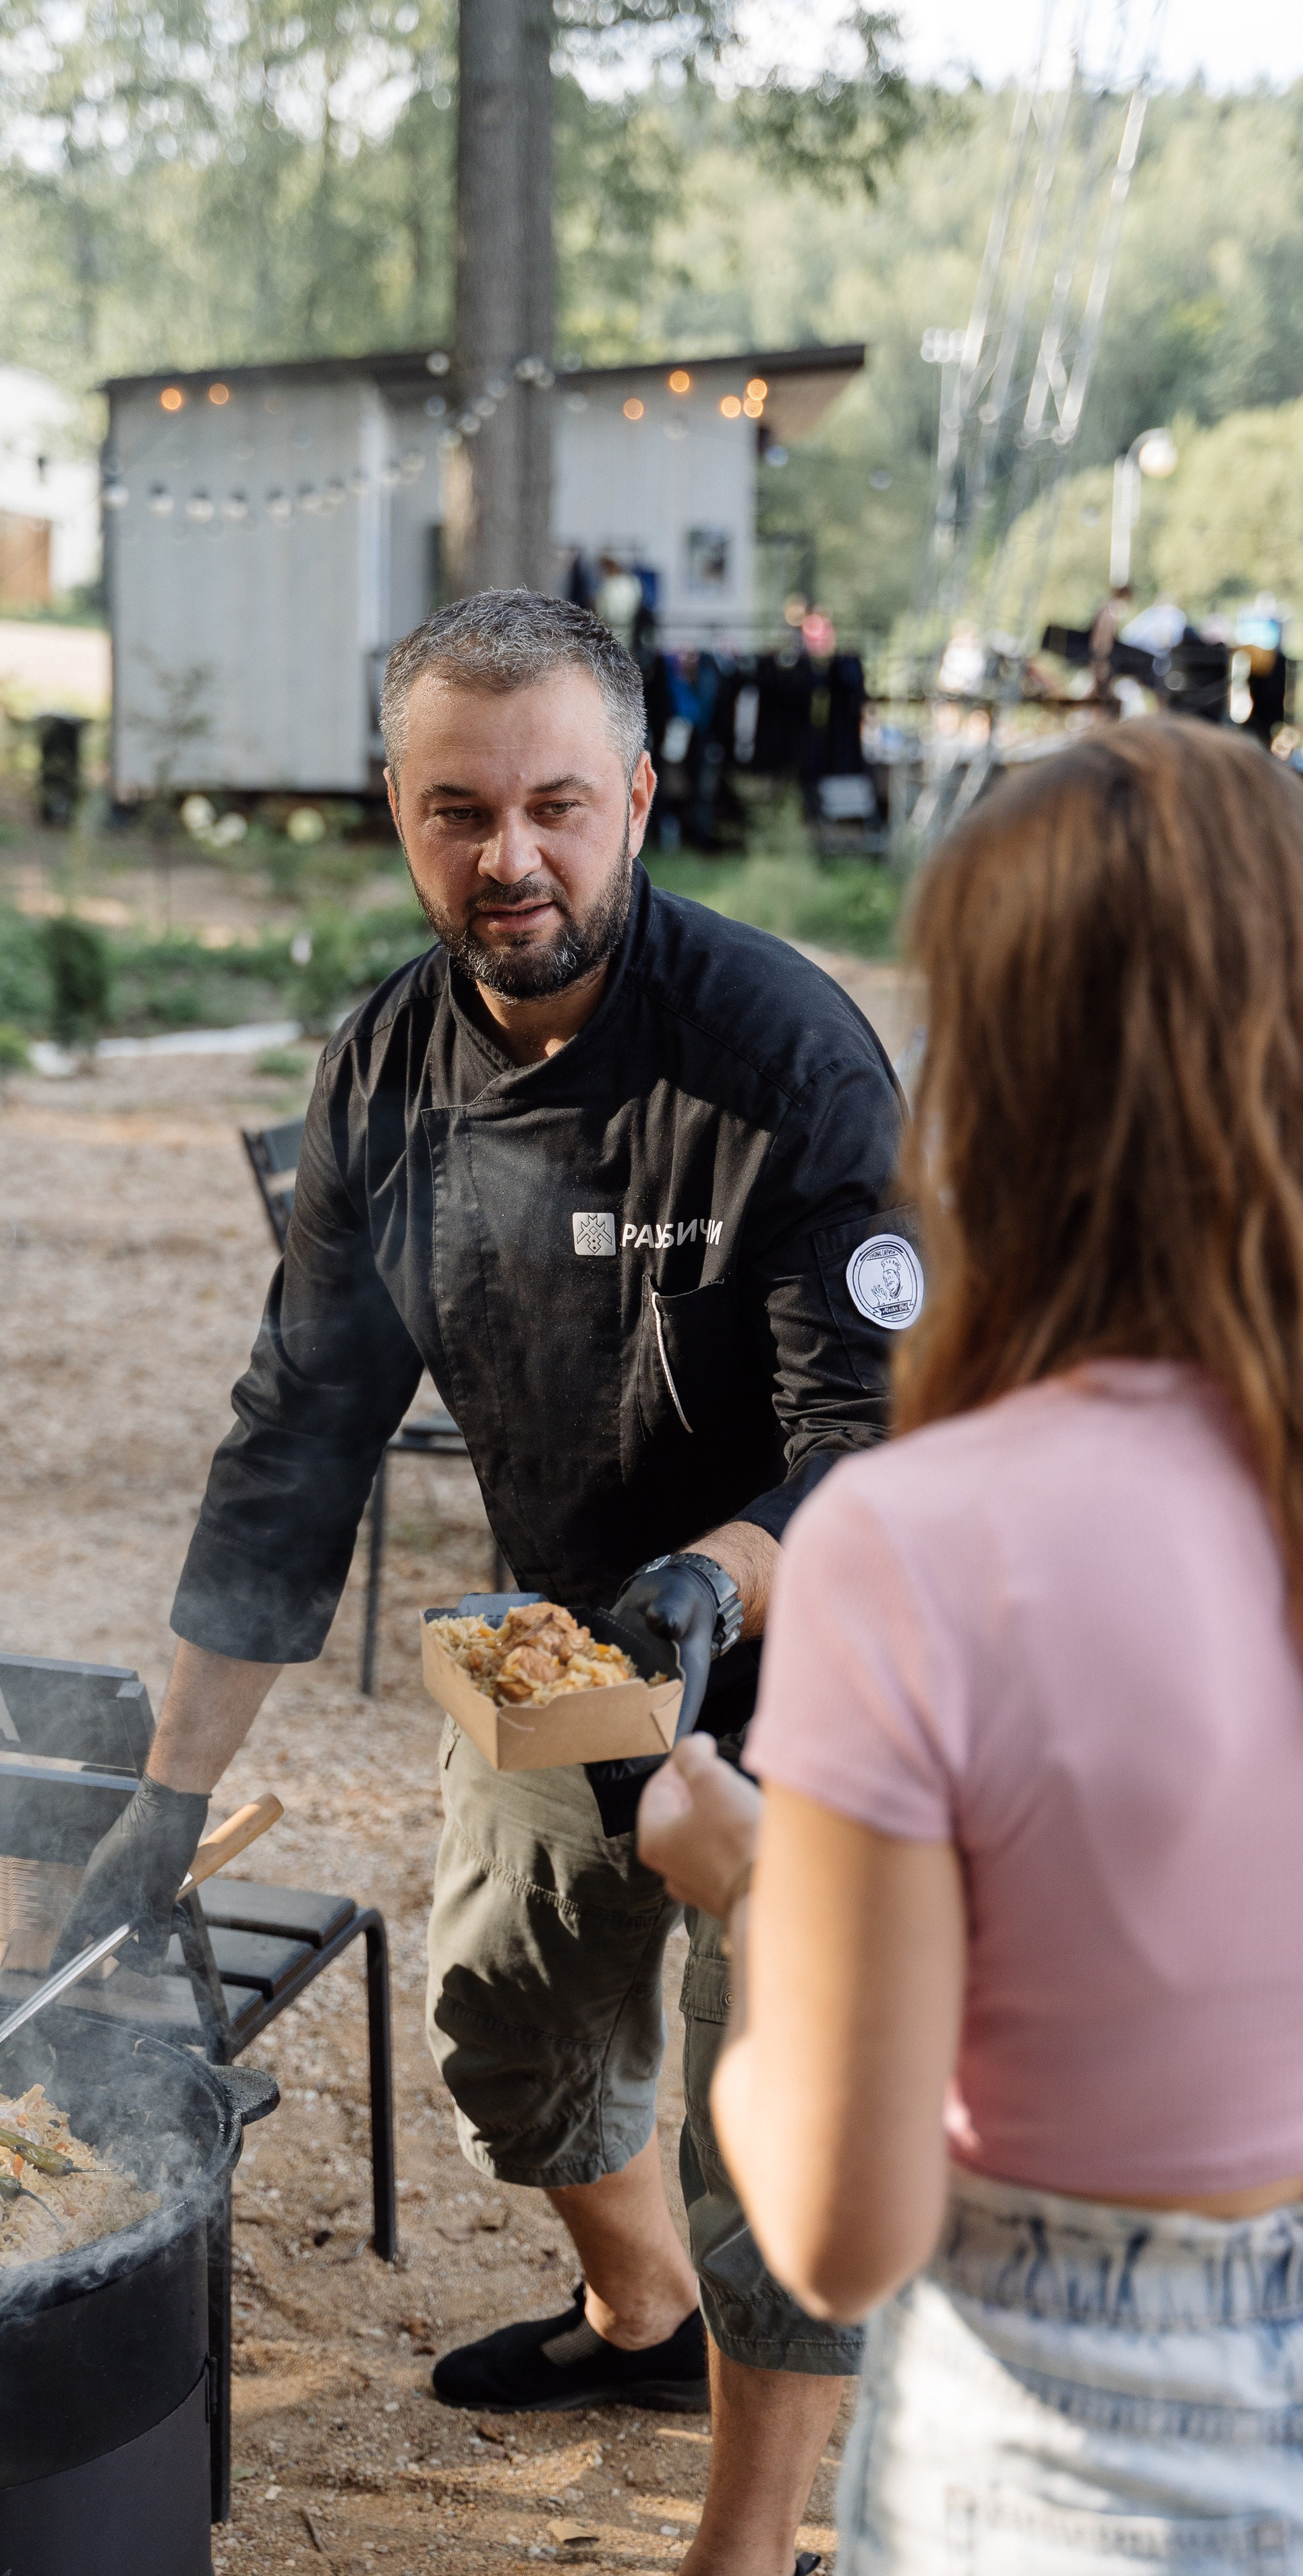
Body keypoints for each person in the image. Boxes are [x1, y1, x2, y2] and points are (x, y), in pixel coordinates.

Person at [53, 589, 917, 2576]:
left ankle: (744, 2538)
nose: (507, 857)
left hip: (825, 1654)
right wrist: (167, 1803)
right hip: (569, 1650)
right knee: (515, 2029)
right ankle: (640, 2314)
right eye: (458, 810)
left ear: (638, 802)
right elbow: (296, 1440)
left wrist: (716, 1585)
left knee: (773, 2116)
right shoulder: (386, 1073)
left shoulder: (783, 1057)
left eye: (553, 806)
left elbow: (872, 1451)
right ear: (397, 811)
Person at [639, 716, 1303, 2569]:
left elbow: (837, 2229)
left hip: (1053, 2466)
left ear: (993, 1082)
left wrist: (755, 1887)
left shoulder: (922, 1542)